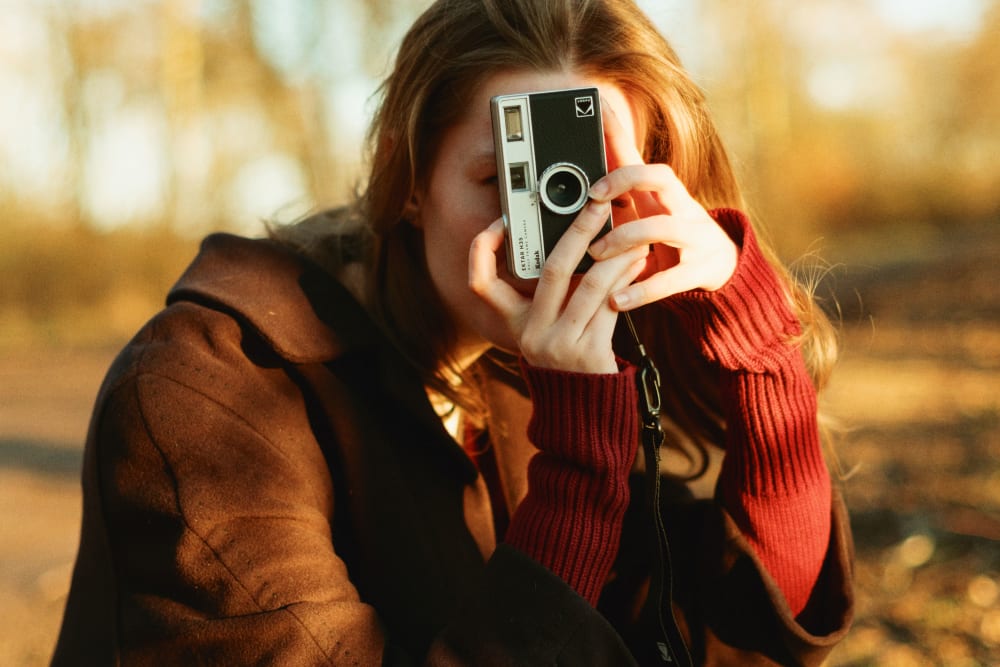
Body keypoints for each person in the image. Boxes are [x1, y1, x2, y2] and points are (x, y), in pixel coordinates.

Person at [52, 0, 854, 664]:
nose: (558, 230)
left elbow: (731, 642)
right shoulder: (204, 393)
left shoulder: (536, 365)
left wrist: (762, 357)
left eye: (594, 181)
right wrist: (577, 470)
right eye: (504, 177)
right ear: (406, 179)